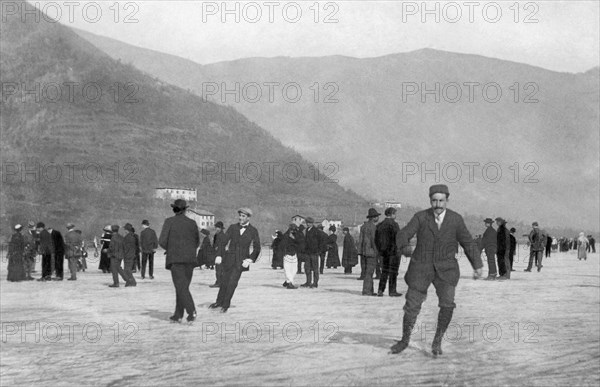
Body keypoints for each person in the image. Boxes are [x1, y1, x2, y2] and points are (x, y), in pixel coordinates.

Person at [391, 184, 482, 356]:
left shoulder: (455, 219)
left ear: (447, 200)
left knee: (448, 305)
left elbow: (468, 242)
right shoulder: (421, 217)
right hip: (420, 268)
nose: (438, 204)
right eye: (434, 200)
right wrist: (404, 247)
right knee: (411, 306)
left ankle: (437, 341)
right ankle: (404, 340)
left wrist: (477, 265)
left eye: (441, 200)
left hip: (446, 270)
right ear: (430, 200)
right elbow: (403, 233)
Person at [209, 207, 261, 313]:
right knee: (224, 281)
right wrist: (219, 255)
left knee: (232, 282)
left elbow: (257, 247)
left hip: (241, 262)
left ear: (248, 218)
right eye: (240, 216)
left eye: (243, 216)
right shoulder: (232, 227)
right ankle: (219, 302)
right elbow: (223, 242)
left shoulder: (253, 230)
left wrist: (250, 259)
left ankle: (226, 304)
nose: (240, 218)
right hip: (229, 259)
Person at [159, 199, 200, 323]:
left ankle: (191, 310)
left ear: (174, 209)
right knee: (182, 287)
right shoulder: (192, 223)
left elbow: (162, 241)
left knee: (180, 287)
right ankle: (178, 314)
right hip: (190, 259)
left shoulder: (169, 222)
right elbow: (197, 241)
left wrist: (171, 249)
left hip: (176, 259)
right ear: (185, 209)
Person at [375, 207, 402, 297]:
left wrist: (380, 250)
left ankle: (380, 290)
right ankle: (392, 291)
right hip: (393, 252)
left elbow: (376, 240)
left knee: (384, 272)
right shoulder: (394, 225)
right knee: (393, 272)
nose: (395, 215)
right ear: (392, 214)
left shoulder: (380, 225)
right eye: (395, 214)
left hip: (383, 253)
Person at [358, 208, 380, 296]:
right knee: (369, 272)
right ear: (373, 217)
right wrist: (377, 251)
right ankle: (367, 291)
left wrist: (360, 251)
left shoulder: (363, 226)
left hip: (364, 252)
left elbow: (361, 240)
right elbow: (374, 240)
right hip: (371, 252)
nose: (378, 218)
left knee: (367, 271)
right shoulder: (373, 227)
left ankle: (369, 290)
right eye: (377, 216)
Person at [281, 223, 303, 289]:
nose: (294, 230)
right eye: (293, 229)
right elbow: (283, 244)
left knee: (294, 270)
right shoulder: (285, 235)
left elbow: (300, 242)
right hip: (287, 254)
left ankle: (288, 281)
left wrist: (294, 238)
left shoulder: (296, 235)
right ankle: (289, 282)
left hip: (294, 254)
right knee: (287, 270)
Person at [210, 221, 227, 288]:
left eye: (218, 227)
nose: (216, 228)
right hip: (217, 253)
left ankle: (219, 283)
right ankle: (219, 282)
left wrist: (219, 255)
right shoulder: (217, 235)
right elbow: (215, 245)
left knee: (219, 269)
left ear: (221, 228)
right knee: (218, 269)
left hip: (220, 254)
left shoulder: (222, 235)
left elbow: (222, 246)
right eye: (216, 227)